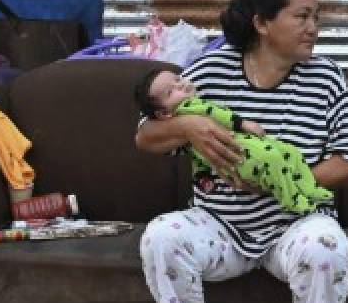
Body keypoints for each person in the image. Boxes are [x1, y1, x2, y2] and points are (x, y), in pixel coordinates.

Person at [135, 0, 348, 303]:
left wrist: (279, 180)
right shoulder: (209, 70)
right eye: (301, 17)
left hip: (295, 225)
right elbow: (145, 137)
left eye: (316, 17)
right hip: (220, 227)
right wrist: (190, 125)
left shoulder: (327, 78)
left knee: (327, 245)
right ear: (262, 23)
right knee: (161, 236)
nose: (313, 28)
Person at [133, 68, 335, 214]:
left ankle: (307, 188)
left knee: (289, 152)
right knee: (276, 159)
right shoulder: (192, 109)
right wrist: (244, 124)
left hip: (246, 150)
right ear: (163, 113)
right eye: (171, 91)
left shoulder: (185, 118)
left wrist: (204, 180)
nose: (182, 84)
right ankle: (293, 199)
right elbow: (219, 115)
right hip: (241, 154)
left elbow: (199, 160)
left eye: (178, 79)